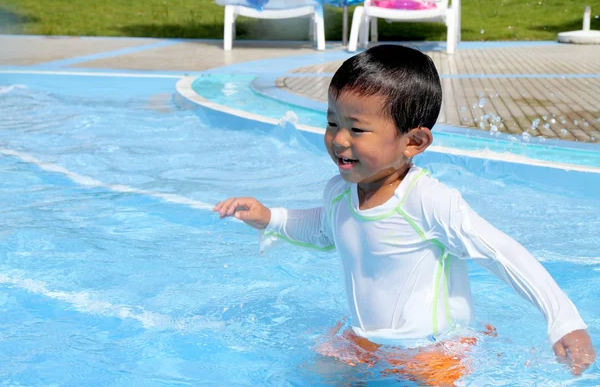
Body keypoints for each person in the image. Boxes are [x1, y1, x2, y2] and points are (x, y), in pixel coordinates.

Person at [213, 44, 596, 384]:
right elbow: (325, 228)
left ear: (413, 142)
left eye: (357, 129)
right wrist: (271, 218)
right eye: (332, 122)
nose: (339, 139)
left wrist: (564, 321)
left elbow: (503, 254)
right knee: (312, 374)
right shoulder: (339, 191)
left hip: (435, 351)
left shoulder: (427, 200)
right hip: (364, 339)